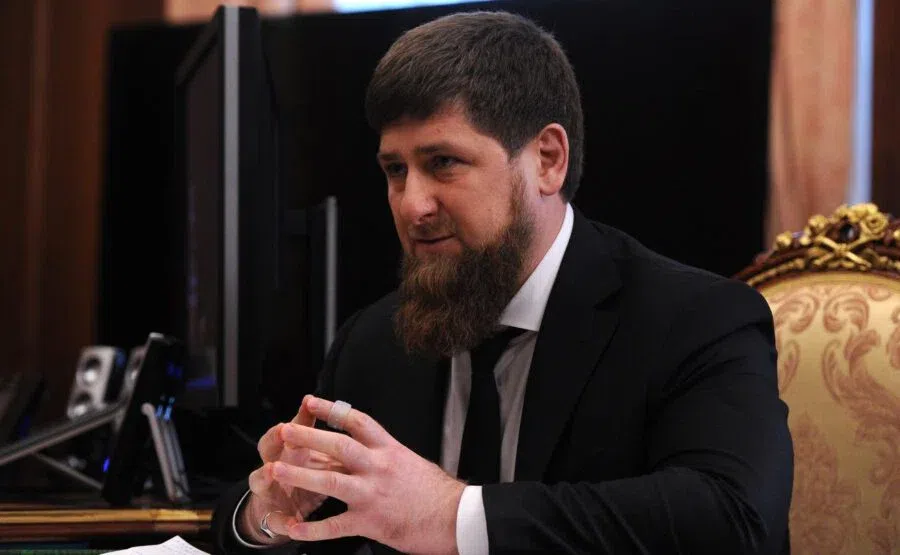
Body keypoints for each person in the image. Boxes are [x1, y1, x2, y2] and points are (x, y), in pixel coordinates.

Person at [212, 10, 793, 555]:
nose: (412, 205)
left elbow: (734, 517)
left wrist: (452, 515)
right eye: (395, 170)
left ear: (547, 160)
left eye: (443, 163)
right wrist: (265, 517)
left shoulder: (696, 319)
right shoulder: (373, 341)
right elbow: (277, 517)